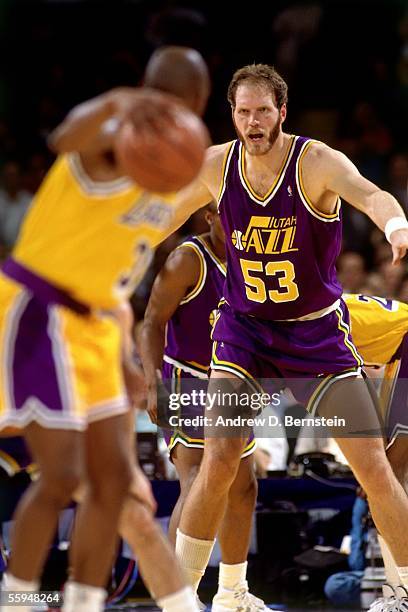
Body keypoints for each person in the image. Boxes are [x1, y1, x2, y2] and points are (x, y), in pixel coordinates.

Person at [161, 63, 408, 611]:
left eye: (263, 112)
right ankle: (179, 600)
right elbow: (160, 215)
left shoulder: (315, 161)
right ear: (231, 113)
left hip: (314, 333)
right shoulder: (216, 165)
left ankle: (406, 592)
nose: (253, 122)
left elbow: (372, 195)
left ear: (283, 112)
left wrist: (396, 226)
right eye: (243, 112)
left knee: (372, 466)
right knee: (220, 458)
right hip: (245, 331)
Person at [0, 46, 210, 612]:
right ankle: (16, 600)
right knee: (63, 473)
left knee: (117, 487)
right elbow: (62, 136)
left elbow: (114, 283)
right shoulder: (108, 140)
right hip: (38, 309)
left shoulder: (165, 171)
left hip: (94, 325)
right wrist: (122, 101)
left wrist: (124, 357)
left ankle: (83, 602)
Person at [141, 203, 276, 611]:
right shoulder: (188, 258)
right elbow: (151, 321)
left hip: (233, 381)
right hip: (188, 378)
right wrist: (153, 384)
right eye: (232, 215)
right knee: (199, 479)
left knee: (244, 488)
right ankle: (176, 596)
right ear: (212, 218)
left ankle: (231, 592)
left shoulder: (254, 257)